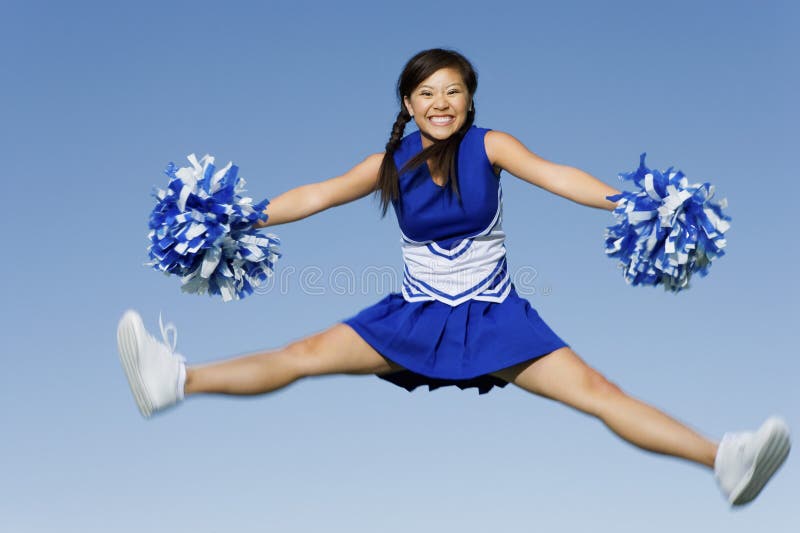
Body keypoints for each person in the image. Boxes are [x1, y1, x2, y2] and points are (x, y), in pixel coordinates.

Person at [117, 48, 790, 506]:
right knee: (303, 355)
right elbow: (315, 194)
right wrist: (238, 218)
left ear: (469, 100)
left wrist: (632, 202)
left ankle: (722, 460)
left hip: (496, 315)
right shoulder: (389, 161)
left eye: (454, 91)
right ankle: (173, 380)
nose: (442, 102)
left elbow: (559, 176)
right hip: (415, 314)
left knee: (598, 391)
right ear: (409, 104)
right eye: (427, 93)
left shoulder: (491, 146)